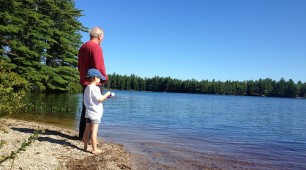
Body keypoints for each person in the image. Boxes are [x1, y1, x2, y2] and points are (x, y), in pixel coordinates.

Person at [78, 26, 108, 140]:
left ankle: (82, 136)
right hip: (94, 83)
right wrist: (104, 78)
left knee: (86, 108)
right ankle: (90, 138)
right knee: (95, 109)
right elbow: (99, 66)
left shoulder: (82, 47)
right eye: (102, 37)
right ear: (99, 36)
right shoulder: (96, 47)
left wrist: (82, 77)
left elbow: (79, 66)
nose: (102, 39)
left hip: (84, 82)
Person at [83, 68, 111, 154]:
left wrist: (104, 98)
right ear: (95, 77)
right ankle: (94, 149)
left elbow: (94, 99)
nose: (100, 80)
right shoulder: (95, 88)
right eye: (99, 78)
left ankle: (85, 147)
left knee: (87, 129)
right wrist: (107, 94)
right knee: (94, 131)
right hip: (95, 114)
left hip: (88, 112)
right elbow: (99, 99)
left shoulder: (87, 88)